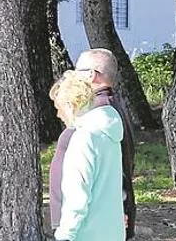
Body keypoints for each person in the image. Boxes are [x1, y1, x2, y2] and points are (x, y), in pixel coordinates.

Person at [55, 48, 137, 241]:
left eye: (77, 71)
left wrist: (65, 234)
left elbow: (78, 193)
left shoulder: (88, 132)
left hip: (85, 231)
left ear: (91, 75)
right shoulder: (109, 117)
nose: (72, 76)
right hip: (107, 228)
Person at [47, 75, 90, 233]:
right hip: (66, 215)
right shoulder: (77, 130)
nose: (58, 114)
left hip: (73, 221)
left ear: (70, 105)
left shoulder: (83, 132)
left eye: (59, 108)